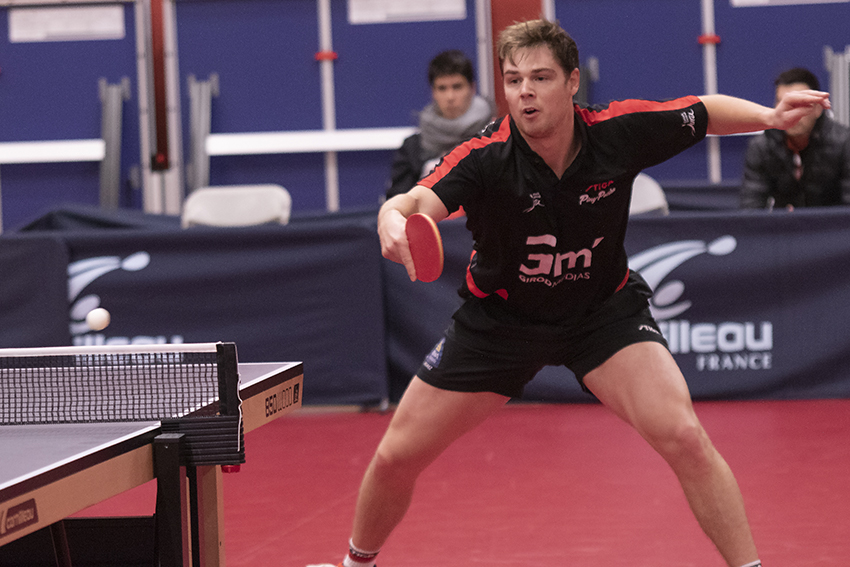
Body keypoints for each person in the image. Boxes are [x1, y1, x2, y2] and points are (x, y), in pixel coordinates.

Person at [321, 19, 830, 567]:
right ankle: (355, 564)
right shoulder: (485, 157)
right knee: (395, 457)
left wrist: (769, 118)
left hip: (601, 314)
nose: (525, 92)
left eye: (540, 78)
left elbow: (702, 112)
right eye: (513, 80)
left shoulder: (618, 131)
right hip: (500, 323)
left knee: (684, 436)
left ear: (571, 82)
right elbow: (416, 202)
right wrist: (391, 217)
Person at [386, 50, 494, 200]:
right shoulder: (412, 148)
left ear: (472, 88)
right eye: (442, 88)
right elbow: (397, 202)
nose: (450, 97)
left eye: (457, 87)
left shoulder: (495, 138)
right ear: (433, 92)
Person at [740, 67, 850, 209]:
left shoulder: (845, 143)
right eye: (783, 104)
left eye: (799, 104)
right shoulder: (762, 146)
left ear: (818, 108)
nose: (790, 113)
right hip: (782, 223)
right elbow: (750, 207)